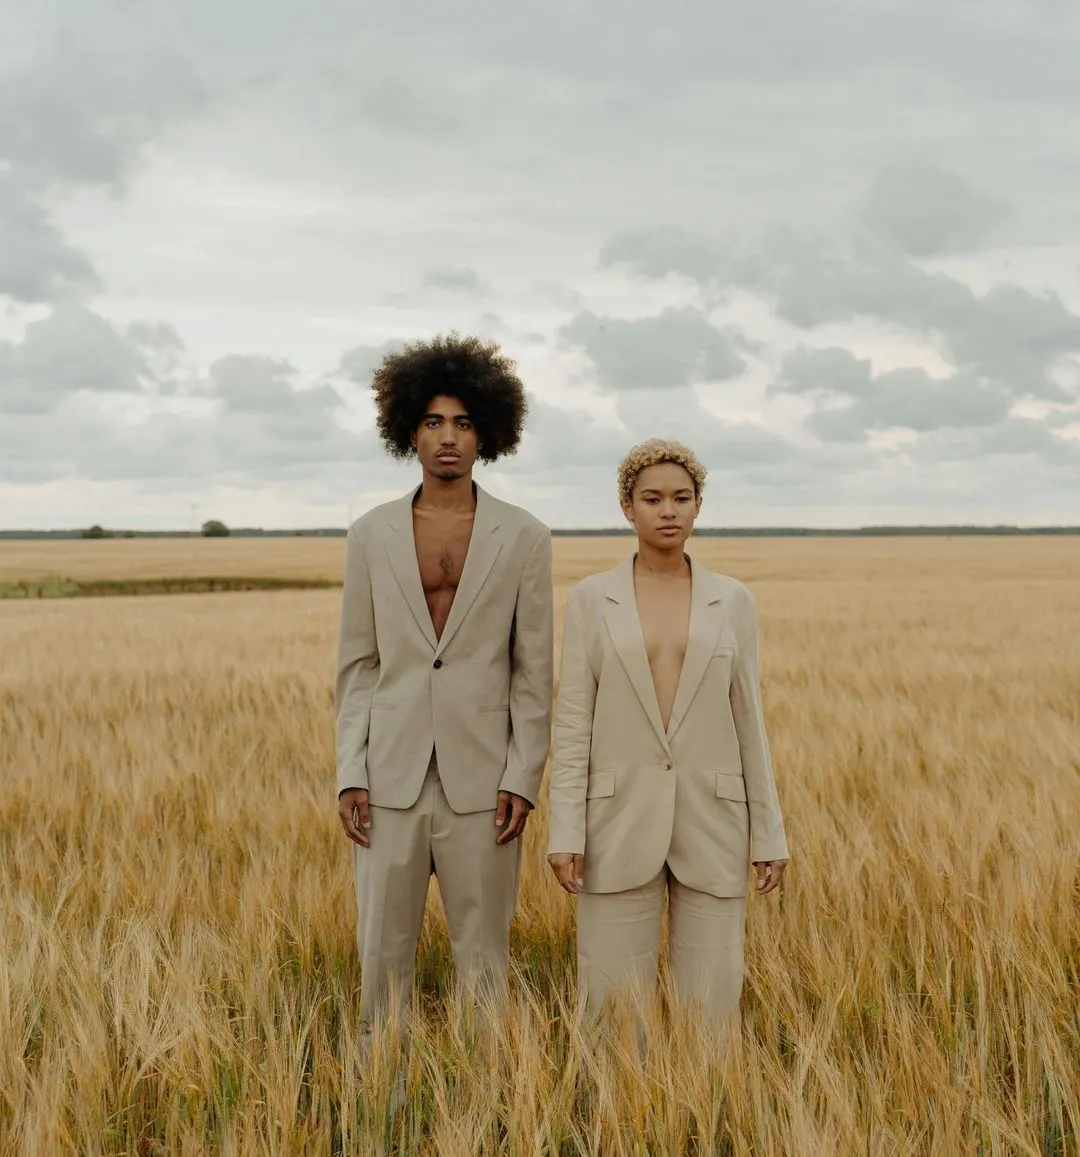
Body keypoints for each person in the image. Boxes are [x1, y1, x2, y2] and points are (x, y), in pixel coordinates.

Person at [335, 333, 554, 1052]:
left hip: (484, 783)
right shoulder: (369, 534)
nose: (448, 437)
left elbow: (532, 671)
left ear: (487, 430)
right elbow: (358, 664)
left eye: (462, 422)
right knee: (381, 963)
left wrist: (524, 775)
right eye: (433, 421)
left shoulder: (524, 536)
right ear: (408, 430)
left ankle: (488, 1101)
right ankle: (379, 1104)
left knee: (484, 963)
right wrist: (350, 771)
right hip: (389, 778)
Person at [546, 438, 789, 1032]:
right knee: (610, 1011)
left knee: (712, 1012)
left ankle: (707, 1119)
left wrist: (770, 832)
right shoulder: (589, 599)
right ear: (627, 507)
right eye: (652, 498)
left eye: (682, 497)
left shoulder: (732, 600)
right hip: (614, 823)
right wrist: (565, 829)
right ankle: (615, 1122)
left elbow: (748, 718)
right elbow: (574, 719)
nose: (668, 510)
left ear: (699, 505)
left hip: (716, 821)